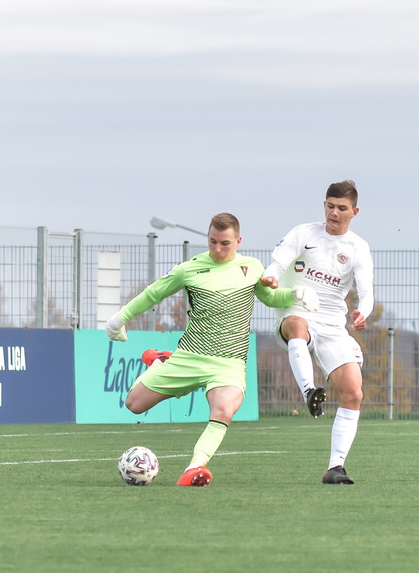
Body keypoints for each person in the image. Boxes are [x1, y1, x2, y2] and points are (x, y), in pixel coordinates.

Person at [106, 212, 317, 487]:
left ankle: (194, 468)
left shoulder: (252, 268)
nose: (218, 249)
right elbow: (153, 294)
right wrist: (120, 317)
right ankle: (158, 362)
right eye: (213, 242)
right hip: (189, 357)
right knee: (134, 405)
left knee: (223, 411)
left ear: (238, 241)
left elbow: (269, 297)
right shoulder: (189, 268)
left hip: (228, 364)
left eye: (225, 243)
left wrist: (295, 294)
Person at [260, 180, 374, 485]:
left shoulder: (358, 248)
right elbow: (277, 263)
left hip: (333, 325)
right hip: (296, 310)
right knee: (298, 326)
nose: (333, 213)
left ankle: (336, 467)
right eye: (329, 205)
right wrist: (271, 277)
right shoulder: (304, 233)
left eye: (341, 208)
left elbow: (366, 292)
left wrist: (364, 311)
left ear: (354, 211)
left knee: (353, 392)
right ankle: (310, 391)